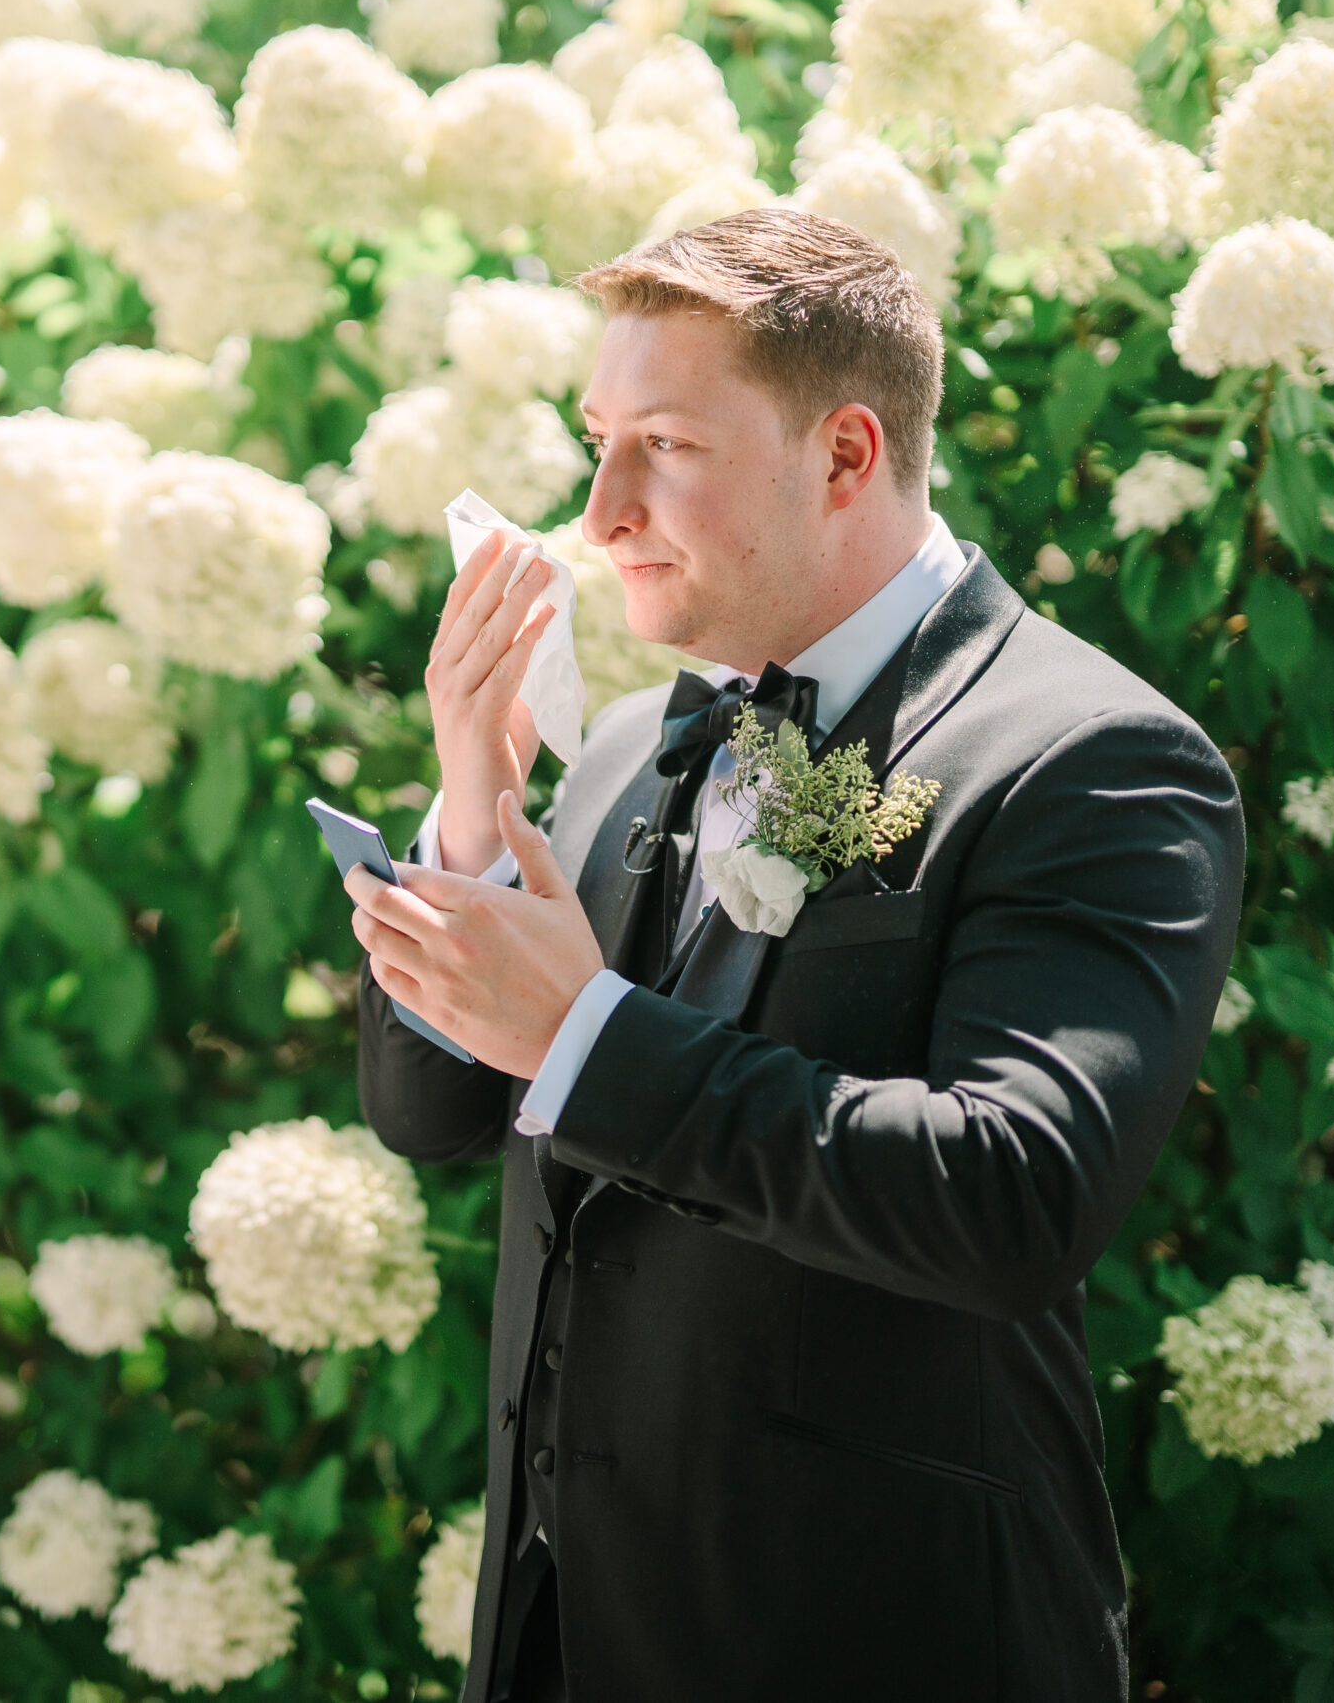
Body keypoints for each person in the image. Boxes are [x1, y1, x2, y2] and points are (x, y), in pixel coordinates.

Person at [348, 209, 1244, 1701]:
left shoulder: (1091, 759)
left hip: (883, 1639)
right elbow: (428, 1114)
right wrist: (470, 812)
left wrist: (587, 1038)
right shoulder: (637, 740)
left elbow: (1011, 1195)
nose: (602, 510)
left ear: (844, 455)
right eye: (596, 440)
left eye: (667, 447)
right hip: (566, 1641)